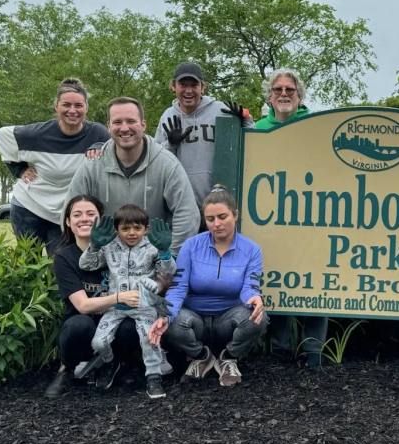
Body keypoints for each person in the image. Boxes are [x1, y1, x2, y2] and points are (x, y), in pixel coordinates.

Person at [160, 187, 268, 386]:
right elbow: (178, 287)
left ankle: (229, 358)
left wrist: (253, 298)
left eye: (222, 217)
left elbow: (250, 287)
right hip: (194, 320)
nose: (216, 224)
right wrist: (166, 315)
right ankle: (201, 356)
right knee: (169, 319)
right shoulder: (191, 246)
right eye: (210, 219)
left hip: (228, 321)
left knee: (258, 318)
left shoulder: (252, 250)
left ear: (235, 215)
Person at [255, 68, 327, 366]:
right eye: (278, 89)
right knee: (278, 278)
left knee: (319, 280)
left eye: (290, 90)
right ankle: (280, 348)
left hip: (314, 217)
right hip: (273, 220)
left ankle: (313, 352)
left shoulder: (316, 127)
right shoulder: (258, 129)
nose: (284, 94)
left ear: (300, 96)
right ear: (270, 96)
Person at [66, 97, 200, 254]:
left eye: (131, 121)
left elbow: (187, 214)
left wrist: (170, 256)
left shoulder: (166, 164)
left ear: (143, 125)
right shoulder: (92, 165)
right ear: (108, 126)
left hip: (153, 258)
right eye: (117, 122)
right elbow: (70, 211)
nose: (124, 128)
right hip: (105, 259)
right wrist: (90, 254)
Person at [45, 194, 147, 398]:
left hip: (116, 320)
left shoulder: (119, 250)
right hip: (85, 325)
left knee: (131, 325)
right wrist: (118, 297)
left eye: (91, 214)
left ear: (101, 219)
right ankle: (66, 369)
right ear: (68, 222)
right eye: (77, 215)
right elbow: (82, 305)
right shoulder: (64, 257)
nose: (84, 219)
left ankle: (119, 362)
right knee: (79, 325)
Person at [0, 78, 110, 250]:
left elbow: (113, 150)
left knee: (60, 261)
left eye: (78, 105)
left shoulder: (98, 133)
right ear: (56, 106)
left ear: (86, 107)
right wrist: (19, 169)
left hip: (65, 212)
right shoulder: (35, 134)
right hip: (29, 206)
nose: (72, 110)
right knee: (27, 259)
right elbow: (2, 135)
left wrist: (100, 146)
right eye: (66, 105)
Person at [75, 204, 176, 400]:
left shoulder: (152, 247)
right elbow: (86, 265)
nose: (131, 233)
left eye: (137, 228)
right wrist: (94, 246)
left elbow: (169, 272)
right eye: (125, 228)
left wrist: (165, 252)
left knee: (149, 339)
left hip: (144, 306)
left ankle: (154, 376)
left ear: (146, 229)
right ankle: (109, 362)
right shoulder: (110, 247)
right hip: (116, 307)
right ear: (116, 230)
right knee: (99, 342)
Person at [153, 61, 253, 209]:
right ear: (173, 86)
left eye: (194, 85)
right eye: (183, 85)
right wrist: (171, 144)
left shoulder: (220, 110)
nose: (188, 91)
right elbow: (157, 161)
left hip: (220, 200)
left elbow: (250, 144)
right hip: (183, 203)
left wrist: (244, 121)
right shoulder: (168, 116)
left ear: (203, 87)